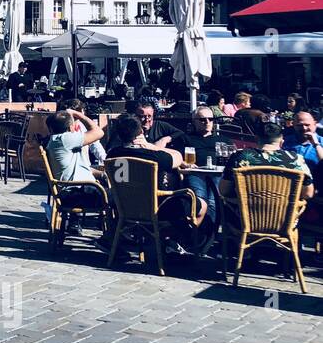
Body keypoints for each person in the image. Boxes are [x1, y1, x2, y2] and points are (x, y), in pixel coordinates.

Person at [106, 115, 206, 249]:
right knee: (201, 205)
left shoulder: (113, 155)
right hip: (156, 208)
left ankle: (165, 240)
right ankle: (177, 241)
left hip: (124, 206)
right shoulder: (155, 156)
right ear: (141, 133)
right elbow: (177, 157)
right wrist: (150, 146)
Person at [220, 121, 314, 215]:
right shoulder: (296, 159)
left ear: (256, 139)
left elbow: (224, 190)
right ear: (281, 142)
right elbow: (308, 193)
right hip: (283, 218)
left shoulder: (240, 157)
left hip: (246, 217)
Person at [169, 105, 226, 242]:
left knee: (213, 201)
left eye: (210, 119)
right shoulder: (185, 139)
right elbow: (176, 156)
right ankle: (200, 237)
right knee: (201, 200)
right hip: (194, 172)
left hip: (217, 174)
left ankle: (205, 236)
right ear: (194, 121)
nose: (207, 122)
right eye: (202, 119)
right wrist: (183, 163)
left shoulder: (223, 140)